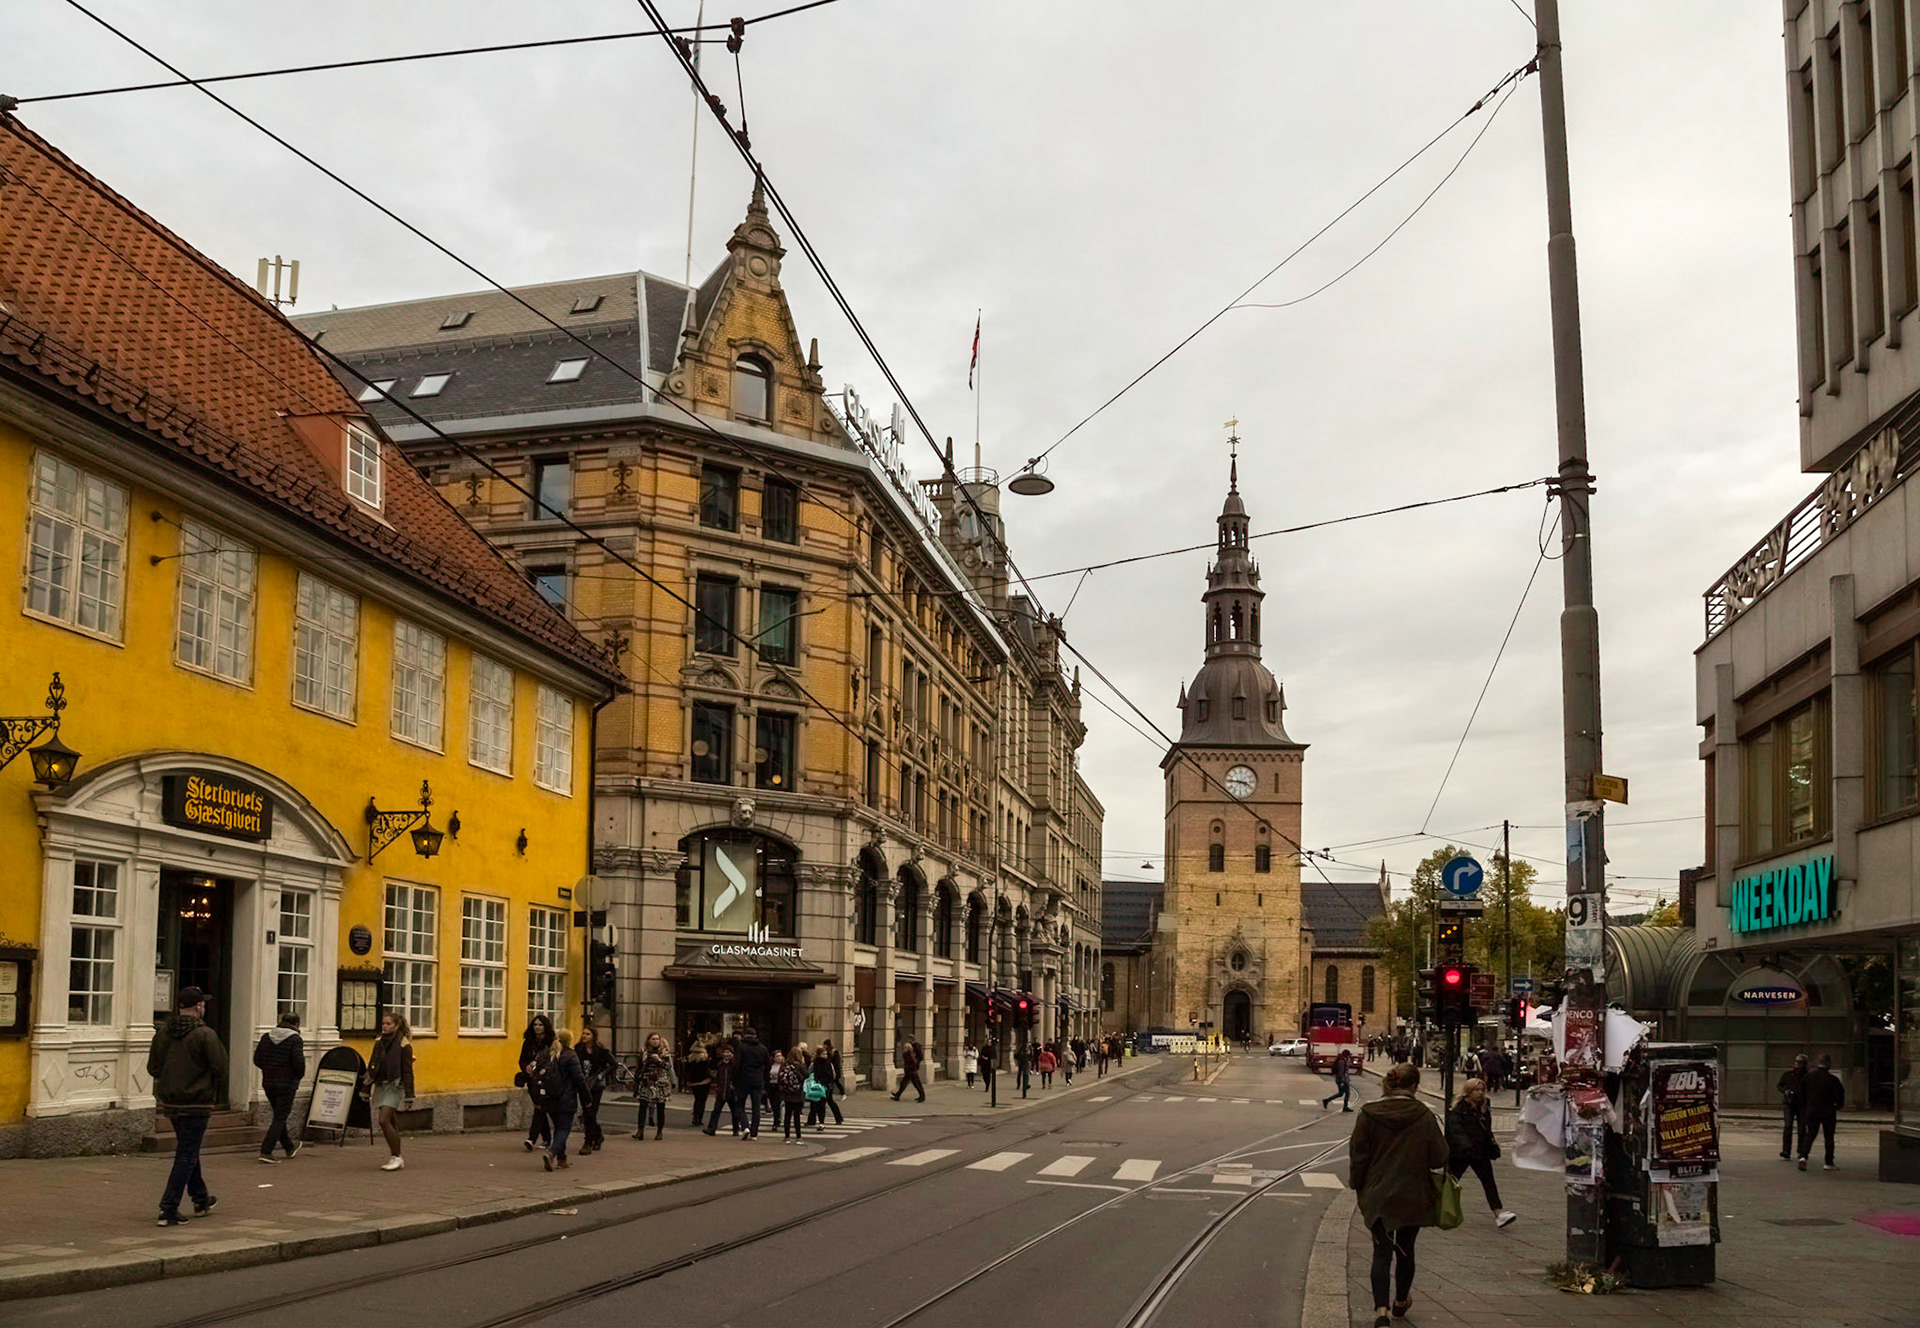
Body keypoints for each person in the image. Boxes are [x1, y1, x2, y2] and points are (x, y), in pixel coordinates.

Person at [1349, 1061, 1448, 1328]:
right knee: (1406, 1250)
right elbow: (1439, 1157)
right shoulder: (1423, 1115)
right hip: (1412, 1193)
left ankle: (1381, 1312)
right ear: (1415, 1086)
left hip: (1377, 1192)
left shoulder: (1369, 1113)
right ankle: (1401, 1303)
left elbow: (1358, 1156)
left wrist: (1358, 1186)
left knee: (1381, 1251)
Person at [148, 985, 228, 1225]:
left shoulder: (163, 1033)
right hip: (197, 1102)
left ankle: (201, 1198)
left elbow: (153, 1067)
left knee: (188, 1149)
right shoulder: (205, 1034)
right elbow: (220, 1067)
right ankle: (168, 1208)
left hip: (171, 1101)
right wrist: (207, 1084)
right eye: (203, 1003)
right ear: (199, 1006)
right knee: (186, 1154)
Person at [1446, 1078, 1516, 1227]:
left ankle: (1498, 1213)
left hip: (1479, 1151)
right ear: (1468, 1091)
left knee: (1488, 1181)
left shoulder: (1484, 1106)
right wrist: (1465, 1145)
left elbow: (1486, 1129)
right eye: (1476, 1090)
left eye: (1482, 1090)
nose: (1480, 1093)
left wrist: (1491, 1145)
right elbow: (1455, 1129)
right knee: (1450, 1181)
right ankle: (1437, 1206)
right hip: (1461, 1152)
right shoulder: (1459, 1107)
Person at [253, 1011, 305, 1164]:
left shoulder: (266, 1037)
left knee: (278, 1115)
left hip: (269, 1082)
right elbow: (298, 1063)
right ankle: (266, 1150)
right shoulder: (295, 1039)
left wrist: (269, 1069)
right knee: (280, 1117)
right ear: (296, 1024)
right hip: (287, 1083)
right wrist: (297, 1076)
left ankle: (289, 1147)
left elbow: (257, 1059)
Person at [367, 1010, 414, 1172]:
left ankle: (396, 1156)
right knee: (391, 1122)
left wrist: (410, 1095)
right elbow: (372, 1064)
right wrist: (365, 1088)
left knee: (383, 1120)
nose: (385, 1027)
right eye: (383, 1024)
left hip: (396, 1084)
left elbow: (408, 1070)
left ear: (397, 1025)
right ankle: (397, 1156)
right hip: (381, 1084)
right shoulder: (379, 1042)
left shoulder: (403, 1044)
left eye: (388, 1024)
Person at [541, 1028, 589, 1170]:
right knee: (563, 1129)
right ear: (570, 1040)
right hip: (566, 1099)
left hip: (549, 1098)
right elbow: (579, 1079)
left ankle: (562, 1159)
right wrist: (587, 1098)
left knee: (557, 1128)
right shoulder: (571, 1056)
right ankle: (552, 1153)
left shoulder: (547, 1053)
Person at [1798, 1052, 1846, 1171]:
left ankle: (1803, 1156)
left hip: (1812, 1110)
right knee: (1829, 1137)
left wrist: (1806, 1107)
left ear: (1818, 1063)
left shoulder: (1808, 1077)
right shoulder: (1832, 1080)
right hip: (1828, 1111)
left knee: (1810, 1135)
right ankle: (1828, 1162)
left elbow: (1801, 1094)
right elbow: (1840, 1096)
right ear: (1828, 1063)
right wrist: (1836, 1106)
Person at [518, 1014, 556, 1153]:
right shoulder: (528, 1042)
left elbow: (552, 1061)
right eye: (535, 1025)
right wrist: (526, 1067)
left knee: (540, 1108)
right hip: (532, 1080)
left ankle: (532, 1138)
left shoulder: (550, 1043)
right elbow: (521, 1059)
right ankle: (546, 1138)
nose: (537, 1028)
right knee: (540, 1108)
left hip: (545, 1080)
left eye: (540, 1025)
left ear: (545, 1027)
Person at [575, 1026, 614, 1154]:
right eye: (583, 1033)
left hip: (595, 1086)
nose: (584, 1036)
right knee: (587, 1113)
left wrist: (602, 1074)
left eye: (587, 1034)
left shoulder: (600, 1050)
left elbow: (614, 1064)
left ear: (593, 1036)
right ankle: (598, 1136)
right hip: (583, 1085)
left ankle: (588, 1141)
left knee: (591, 1113)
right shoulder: (578, 1049)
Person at [634, 1032, 673, 1141]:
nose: (655, 1041)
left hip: (660, 1083)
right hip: (647, 1082)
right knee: (642, 1107)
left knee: (661, 1108)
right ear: (648, 1041)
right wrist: (637, 1080)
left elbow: (668, 1066)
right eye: (653, 1039)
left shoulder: (664, 1052)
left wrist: (658, 1060)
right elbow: (639, 1066)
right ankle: (640, 1130)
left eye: (657, 1039)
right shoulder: (644, 1051)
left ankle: (659, 1131)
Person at [735, 1027, 770, 1139]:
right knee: (756, 1107)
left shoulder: (742, 1048)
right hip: (757, 1079)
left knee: (740, 1105)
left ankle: (745, 1126)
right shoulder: (763, 1049)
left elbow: (736, 1065)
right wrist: (764, 1078)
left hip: (743, 1079)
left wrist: (734, 1079)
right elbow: (768, 1065)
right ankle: (754, 1133)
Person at [702, 1042, 740, 1137]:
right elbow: (718, 1076)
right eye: (725, 1052)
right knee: (716, 1111)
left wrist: (735, 1086)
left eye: (728, 1052)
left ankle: (736, 1129)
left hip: (731, 1091)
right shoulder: (720, 1064)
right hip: (721, 1090)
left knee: (735, 1112)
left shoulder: (735, 1065)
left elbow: (738, 1077)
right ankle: (711, 1129)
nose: (726, 1054)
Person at [1778, 1053, 1810, 1161]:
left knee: (1801, 1129)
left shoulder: (1808, 1076)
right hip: (1789, 1103)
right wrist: (1785, 1091)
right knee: (1788, 1126)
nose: (1796, 1064)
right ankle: (1786, 1150)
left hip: (1802, 1104)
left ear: (1804, 1064)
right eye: (1796, 1061)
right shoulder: (1788, 1074)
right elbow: (1780, 1085)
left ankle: (1801, 1151)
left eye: (1799, 1062)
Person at [809, 1039, 845, 1126]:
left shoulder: (828, 1063)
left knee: (826, 1102)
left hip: (826, 1086)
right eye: (823, 1054)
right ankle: (812, 1120)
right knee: (815, 1103)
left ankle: (835, 1119)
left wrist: (830, 1084)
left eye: (825, 1054)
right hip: (817, 1085)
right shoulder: (815, 1064)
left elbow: (832, 1074)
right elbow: (810, 1073)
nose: (825, 1056)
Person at [778, 1046, 809, 1143]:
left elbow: (780, 1077)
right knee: (796, 1116)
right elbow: (807, 1075)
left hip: (787, 1093)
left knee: (787, 1115)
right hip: (797, 1093)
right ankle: (798, 1136)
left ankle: (787, 1136)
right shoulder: (799, 1066)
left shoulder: (785, 1064)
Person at [682, 1042, 714, 1128]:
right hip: (704, 1080)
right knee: (703, 1100)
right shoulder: (705, 1058)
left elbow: (686, 1070)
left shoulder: (690, 1058)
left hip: (694, 1081)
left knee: (697, 1099)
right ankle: (699, 1118)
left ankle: (695, 1117)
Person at [1323, 1048, 1354, 1112]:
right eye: (1349, 1055)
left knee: (1341, 1093)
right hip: (1342, 1080)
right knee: (1347, 1093)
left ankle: (1327, 1100)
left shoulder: (1343, 1060)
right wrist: (1342, 1081)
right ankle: (1345, 1107)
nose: (1349, 1057)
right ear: (1346, 1055)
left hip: (1343, 1079)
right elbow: (1341, 1072)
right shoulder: (1341, 1061)